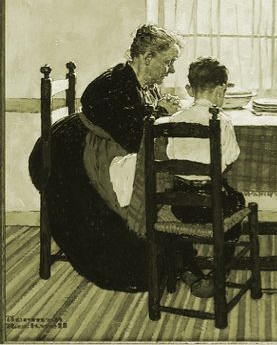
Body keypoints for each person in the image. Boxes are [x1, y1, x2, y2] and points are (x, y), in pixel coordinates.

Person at [28, 24, 184, 292]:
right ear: (147, 58)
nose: (171, 70)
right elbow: (134, 138)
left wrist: (157, 110)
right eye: (168, 62)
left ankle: (172, 259)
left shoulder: (145, 83)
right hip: (66, 160)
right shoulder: (113, 84)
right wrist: (159, 112)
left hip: (98, 153)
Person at [165, 56, 245, 298]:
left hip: (181, 205)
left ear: (191, 90)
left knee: (179, 226)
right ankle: (221, 272)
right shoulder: (222, 121)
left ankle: (190, 268)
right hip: (214, 207)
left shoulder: (175, 119)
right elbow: (231, 156)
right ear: (221, 91)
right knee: (237, 203)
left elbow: (170, 156)